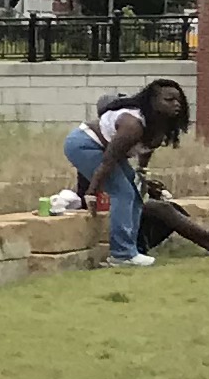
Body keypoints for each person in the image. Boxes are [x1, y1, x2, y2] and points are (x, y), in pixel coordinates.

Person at [66, 79, 190, 267]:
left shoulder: (158, 125)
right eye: (169, 100)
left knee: (135, 193)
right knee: (122, 192)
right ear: (153, 101)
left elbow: (147, 149)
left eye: (178, 100)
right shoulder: (132, 125)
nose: (176, 104)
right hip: (84, 144)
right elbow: (108, 162)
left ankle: (131, 250)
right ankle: (121, 254)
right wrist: (92, 191)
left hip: (105, 150)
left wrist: (141, 173)